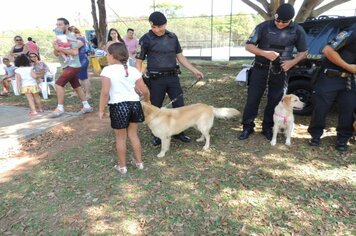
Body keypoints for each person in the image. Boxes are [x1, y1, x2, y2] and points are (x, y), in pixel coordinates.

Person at [238, 3, 308, 141]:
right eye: (278, 20)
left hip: (281, 70)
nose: (280, 24)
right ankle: (247, 126)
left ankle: (267, 127)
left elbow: (303, 52)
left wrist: (292, 62)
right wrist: (264, 53)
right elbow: (249, 46)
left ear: (291, 20)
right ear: (275, 17)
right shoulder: (263, 27)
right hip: (260, 68)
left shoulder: (298, 30)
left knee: (275, 100)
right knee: (253, 99)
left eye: (284, 22)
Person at [136, 11, 204, 146]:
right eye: (153, 27)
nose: (156, 29)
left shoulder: (172, 37)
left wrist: (194, 70)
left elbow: (180, 57)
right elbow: (139, 61)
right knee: (154, 108)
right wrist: (138, 80)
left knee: (179, 106)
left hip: (173, 77)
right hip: (155, 80)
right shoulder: (145, 39)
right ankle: (156, 135)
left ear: (165, 24)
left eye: (159, 26)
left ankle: (179, 132)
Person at [99, 42, 150, 174]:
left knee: (120, 138)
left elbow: (105, 92)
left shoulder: (107, 70)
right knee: (133, 135)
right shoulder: (133, 70)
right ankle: (139, 163)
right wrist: (147, 101)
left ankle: (122, 166)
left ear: (111, 55)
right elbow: (145, 90)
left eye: (107, 55)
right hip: (134, 104)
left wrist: (101, 110)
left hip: (118, 106)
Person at [308, 23, 356, 152]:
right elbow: (327, 50)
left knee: (348, 108)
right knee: (321, 107)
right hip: (331, 76)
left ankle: (343, 138)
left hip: (350, 79)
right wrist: (348, 66)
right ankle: (315, 135)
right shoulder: (351, 31)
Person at [51, 17, 93, 117]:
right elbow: (56, 54)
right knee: (76, 86)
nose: (58, 26)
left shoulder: (71, 36)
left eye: (60, 24)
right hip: (66, 65)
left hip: (73, 65)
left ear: (66, 26)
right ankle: (86, 106)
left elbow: (74, 52)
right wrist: (55, 48)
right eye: (57, 25)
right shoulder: (59, 37)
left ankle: (60, 108)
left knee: (58, 84)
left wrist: (59, 48)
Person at [69, 26, 91, 99]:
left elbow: (74, 48)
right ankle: (76, 92)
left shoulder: (80, 39)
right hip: (77, 60)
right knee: (77, 77)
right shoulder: (75, 39)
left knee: (84, 77)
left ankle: (88, 94)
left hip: (82, 60)